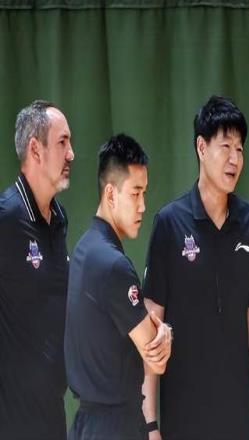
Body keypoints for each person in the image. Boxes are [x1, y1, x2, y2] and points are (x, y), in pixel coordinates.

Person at [143, 95, 249, 440]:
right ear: (201, 147)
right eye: (225, 147)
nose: (235, 159)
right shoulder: (169, 224)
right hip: (183, 416)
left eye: (240, 149)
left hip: (238, 416)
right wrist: (150, 424)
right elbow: (151, 328)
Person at [65, 134, 171, 440]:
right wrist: (165, 333)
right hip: (116, 427)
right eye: (135, 193)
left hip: (87, 425)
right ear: (110, 194)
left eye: (144, 193)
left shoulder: (84, 249)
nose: (143, 206)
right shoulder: (113, 265)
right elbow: (156, 359)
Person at [0, 100, 74, 439]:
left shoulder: (59, 219)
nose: (71, 154)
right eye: (62, 142)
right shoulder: (7, 217)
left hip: (51, 412)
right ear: (35, 149)